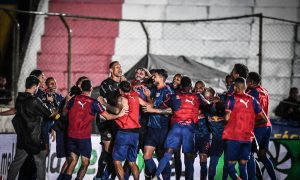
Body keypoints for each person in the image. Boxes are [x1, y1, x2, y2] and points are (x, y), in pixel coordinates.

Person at [62, 79, 125, 180]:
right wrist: (119, 115)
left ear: (81, 88)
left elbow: (65, 112)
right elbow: (108, 117)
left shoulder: (73, 99)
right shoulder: (94, 103)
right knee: (85, 163)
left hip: (71, 136)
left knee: (73, 161)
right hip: (83, 137)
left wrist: (67, 102)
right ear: (91, 88)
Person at [7, 76, 57, 180]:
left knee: (16, 164)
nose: (38, 89)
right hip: (35, 140)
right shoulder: (34, 100)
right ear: (34, 87)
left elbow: (16, 112)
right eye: (38, 86)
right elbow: (49, 114)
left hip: (22, 139)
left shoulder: (19, 98)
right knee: (40, 164)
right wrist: (54, 105)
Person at [154, 76, 202, 180]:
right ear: (190, 86)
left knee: (168, 153)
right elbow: (208, 105)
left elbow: (162, 105)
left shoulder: (174, 96)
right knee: (188, 159)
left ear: (181, 86)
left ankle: (156, 176)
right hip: (188, 129)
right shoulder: (197, 97)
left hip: (176, 128)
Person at [223, 77, 268, 180]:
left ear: (235, 87)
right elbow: (264, 119)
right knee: (243, 167)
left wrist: (223, 122)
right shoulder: (253, 100)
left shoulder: (231, 99)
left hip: (233, 138)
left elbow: (226, 118)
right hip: (247, 139)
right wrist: (251, 124)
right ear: (245, 86)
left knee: (230, 166)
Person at [95, 61, 125, 180]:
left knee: (115, 152)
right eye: (117, 67)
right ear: (111, 70)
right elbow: (107, 102)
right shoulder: (106, 84)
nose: (119, 69)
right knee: (107, 151)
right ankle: (98, 176)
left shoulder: (124, 83)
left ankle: (110, 177)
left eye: (120, 67)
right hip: (106, 120)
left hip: (120, 120)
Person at [143, 69, 174, 180]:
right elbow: (152, 105)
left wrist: (153, 111)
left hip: (162, 129)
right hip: (152, 128)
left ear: (161, 78)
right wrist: (147, 97)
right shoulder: (155, 90)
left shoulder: (168, 91)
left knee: (162, 159)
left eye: (155, 76)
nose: (153, 78)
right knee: (146, 156)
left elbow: (171, 110)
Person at [246, 72, 276, 180]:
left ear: (251, 82)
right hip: (267, 125)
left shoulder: (251, 92)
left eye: (247, 79)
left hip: (258, 126)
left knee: (248, 153)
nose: (245, 82)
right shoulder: (265, 91)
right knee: (262, 156)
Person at [193, 82, 210, 180]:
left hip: (204, 134)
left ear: (205, 89)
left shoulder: (208, 100)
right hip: (193, 134)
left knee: (203, 158)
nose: (198, 89)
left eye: (201, 88)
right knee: (189, 158)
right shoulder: (191, 98)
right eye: (197, 88)